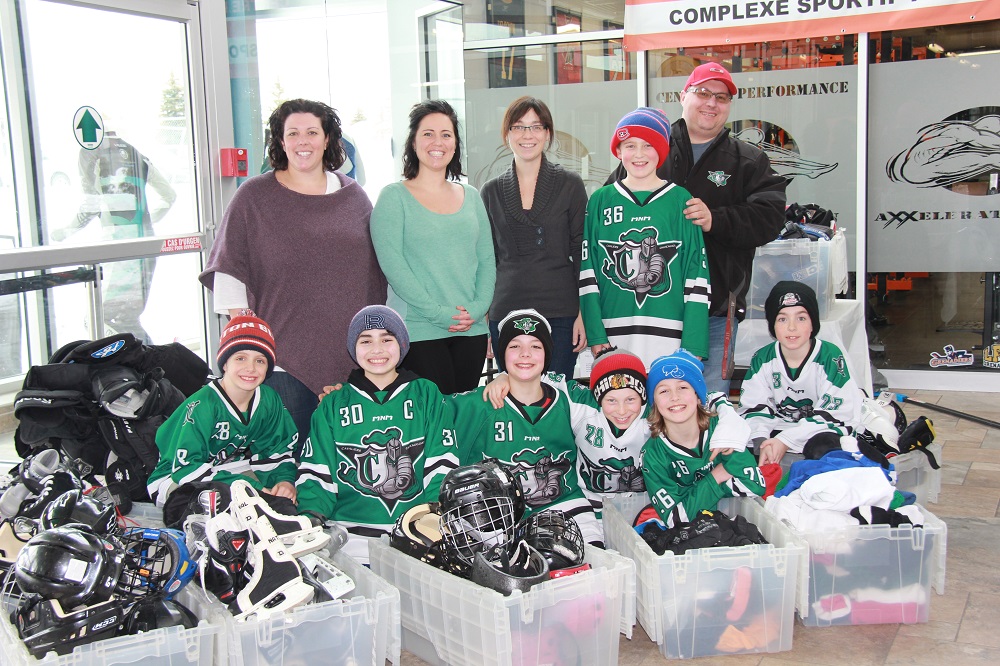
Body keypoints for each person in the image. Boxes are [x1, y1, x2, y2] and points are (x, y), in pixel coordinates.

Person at [200, 99, 386, 444]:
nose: (304, 141)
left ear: (328, 139)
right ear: (280, 141)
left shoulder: (353, 196)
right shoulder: (253, 197)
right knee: (289, 462)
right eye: (293, 133)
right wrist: (248, 336)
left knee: (347, 459)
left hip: (352, 358)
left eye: (312, 132)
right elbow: (228, 269)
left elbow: (376, 272)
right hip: (281, 360)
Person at [608, 63, 787, 395]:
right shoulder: (648, 150)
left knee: (705, 403)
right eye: (702, 93)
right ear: (683, 97)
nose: (711, 103)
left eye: (721, 97)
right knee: (639, 400)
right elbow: (610, 212)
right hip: (646, 311)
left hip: (714, 312)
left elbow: (771, 217)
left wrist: (715, 219)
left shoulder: (748, 161)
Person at [296, 305, 459, 564]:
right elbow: (318, 470)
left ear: (402, 344)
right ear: (353, 348)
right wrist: (310, 517)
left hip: (415, 534)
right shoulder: (333, 403)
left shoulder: (425, 394)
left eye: (387, 339)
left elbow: (442, 462)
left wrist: (434, 515)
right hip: (349, 539)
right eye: (365, 340)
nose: (377, 349)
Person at [370, 100, 495, 394]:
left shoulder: (472, 196)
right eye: (428, 134)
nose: (437, 142)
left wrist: (477, 311)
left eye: (446, 134)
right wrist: (439, 314)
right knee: (432, 425)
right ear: (413, 142)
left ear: (455, 145)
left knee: (462, 421)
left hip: (470, 330)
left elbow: (487, 261)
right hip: (419, 330)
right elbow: (394, 267)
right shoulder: (393, 198)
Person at [449, 309, 601, 545]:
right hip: (497, 514)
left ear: (547, 354)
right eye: (514, 346)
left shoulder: (568, 398)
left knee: (591, 559)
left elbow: (621, 402)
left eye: (536, 346)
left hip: (563, 503)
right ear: (502, 353)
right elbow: (423, 415)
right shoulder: (477, 404)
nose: (525, 354)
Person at [580, 107, 710, 370]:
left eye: (648, 145)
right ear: (618, 151)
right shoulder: (600, 201)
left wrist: (693, 344)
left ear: (661, 151)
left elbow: (696, 274)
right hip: (613, 335)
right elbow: (588, 273)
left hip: (670, 335)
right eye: (630, 145)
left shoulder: (680, 200)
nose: (639, 154)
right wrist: (596, 335)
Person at [480, 97, 588, 377]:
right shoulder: (490, 191)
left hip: (561, 312)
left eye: (536, 127)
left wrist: (584, 313)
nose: (527, 135)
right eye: (518, 127)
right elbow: (486, 260)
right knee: (516, 402)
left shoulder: (570, 184)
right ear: (507, 135)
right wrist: (485, 320)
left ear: (548, 134)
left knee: (557, 397)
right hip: (505, 313)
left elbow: (581, 252)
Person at [147, 313, 297, 507]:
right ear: (225, 363)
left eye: (260, 360)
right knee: (220, 507)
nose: (250, 368)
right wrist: (249, 488)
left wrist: (284, 482)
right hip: (176, 477)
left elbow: (276, 452)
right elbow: (186, 468)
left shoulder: (269, 400)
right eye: (240, 358)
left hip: (232, 469)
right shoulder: (203, 405)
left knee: (283, 501)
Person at [53, 131, 177, 343]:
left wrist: (65, 232)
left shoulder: (92, 154)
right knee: (123, 318)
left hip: (121, 251)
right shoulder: (138, 155)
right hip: (143, 247)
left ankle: (150, 364)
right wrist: (148, 221)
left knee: (105, 318)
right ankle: (150, 365)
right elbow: (169, 196)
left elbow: (91, 206)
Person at [738, 281, 864, 466]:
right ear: (772, 324)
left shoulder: (829, 356)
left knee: (823, 449)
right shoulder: (763, 358)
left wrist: (785, 441)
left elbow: (836, 415)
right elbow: (753, 408)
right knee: (736, 446)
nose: (791, 327)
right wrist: (761, 441)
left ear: (813, 323)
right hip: (780, 428)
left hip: (819, 430)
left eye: (801, 318)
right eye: (782, 319)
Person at [641, 350, 763, 527]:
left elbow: (755, 486)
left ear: (698, 396)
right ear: (654, 402)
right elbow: (675, 519)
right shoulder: (652, 454)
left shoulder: (722, 429)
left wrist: (693, 498)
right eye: (663, 391)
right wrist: (717, 476)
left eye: (683, 387)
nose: (674, 397)